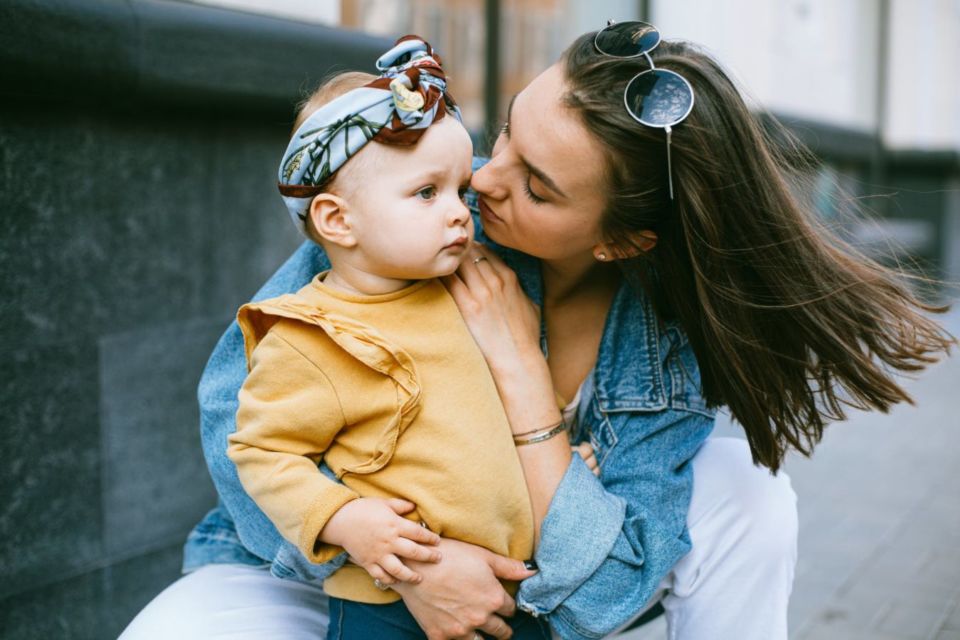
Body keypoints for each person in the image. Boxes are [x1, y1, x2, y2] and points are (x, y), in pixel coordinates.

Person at [122, 21, 954, 640]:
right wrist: (406, 567)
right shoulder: (420, 230)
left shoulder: (656, 346)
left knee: (749, 495)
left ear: (622, 240)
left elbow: (607, 596)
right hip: (328, 568)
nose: (482, 180)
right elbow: (237, 418)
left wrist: (521, 371)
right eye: (509, 129)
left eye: (539, 187)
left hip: (529, 600)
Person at [223, 35, 550, 640]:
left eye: (459, 189)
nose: (459, 212)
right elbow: (261, 452)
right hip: (388, 607)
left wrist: (560, 461)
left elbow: (481, 419)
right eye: (427, 193)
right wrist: (343, 519)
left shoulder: (465, 292)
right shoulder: (313, 335)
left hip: (509, 592)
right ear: (337, 221)